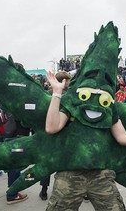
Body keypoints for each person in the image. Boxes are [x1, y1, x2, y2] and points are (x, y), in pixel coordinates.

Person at [45, 71, 126, 211]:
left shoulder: (108, 107)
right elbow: (51, 127)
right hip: (69, 174)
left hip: (100, 176)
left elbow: (123, 137)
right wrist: (57, 92)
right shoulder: (72, 103)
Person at [39, 70, 72, 201]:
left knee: (47, 163)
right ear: (64, 81)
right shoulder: (70, 96)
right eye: (68, 80)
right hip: (65, 134)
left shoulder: (47, 94)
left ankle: (44, 190)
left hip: (49, 134)